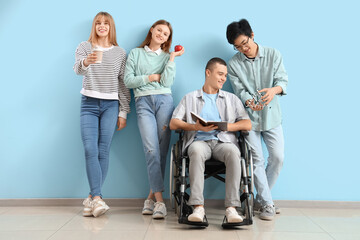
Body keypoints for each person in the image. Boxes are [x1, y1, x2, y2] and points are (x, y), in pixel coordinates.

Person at [169, 58, 251, 223]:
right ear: (208, 73)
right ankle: (198, 208)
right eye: (220, 74)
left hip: (224, 143)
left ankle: (232, 209)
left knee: (234, 152)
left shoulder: (231, 99)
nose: (223, 78)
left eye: (225, 75)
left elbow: (247, 123)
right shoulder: (190, 98)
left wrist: (228, 126)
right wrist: (196, 127)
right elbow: (173, 123)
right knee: (197, 151)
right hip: (199, 142)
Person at [226, 19, 288, 221]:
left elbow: (282, 81)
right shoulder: (234, 63)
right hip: (249, 118)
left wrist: (273, 90)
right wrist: (249, 101)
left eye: (245, 43)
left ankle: (261, 199)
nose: (243, 49)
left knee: (278, 157)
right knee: (257, 160)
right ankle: (268, 204)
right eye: (238, 46)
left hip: (272, 115)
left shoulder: (273, 54)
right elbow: (240, 90)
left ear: (252, 35)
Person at [124, 20, 184, 219]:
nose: (161, 35)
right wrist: (151, 77)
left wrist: (173, 58)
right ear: (151, 30)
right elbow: (128, 80)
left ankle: (151, 197)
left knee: (162, 148)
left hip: (164, 101)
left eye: (166, 34)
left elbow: (166, 81)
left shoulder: (167, 56)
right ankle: (160, 201)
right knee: (151, 148)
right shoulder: (135, 53)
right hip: (142, 102)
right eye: (159, 30)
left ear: (168, 39)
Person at [73, 12, 130, 217]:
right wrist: (86, 62)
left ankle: (92, 197)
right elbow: (77, 70)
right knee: (90, 149)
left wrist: (123, 112)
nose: (102, 26)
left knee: (103, 150)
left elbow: (123, 84)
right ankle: (97, 198)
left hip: (110, 105)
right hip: (88, 103)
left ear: (111, 27)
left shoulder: (120, 53)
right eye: (98, 23)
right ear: (94, 26)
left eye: (106, 23)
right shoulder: (84, 47)